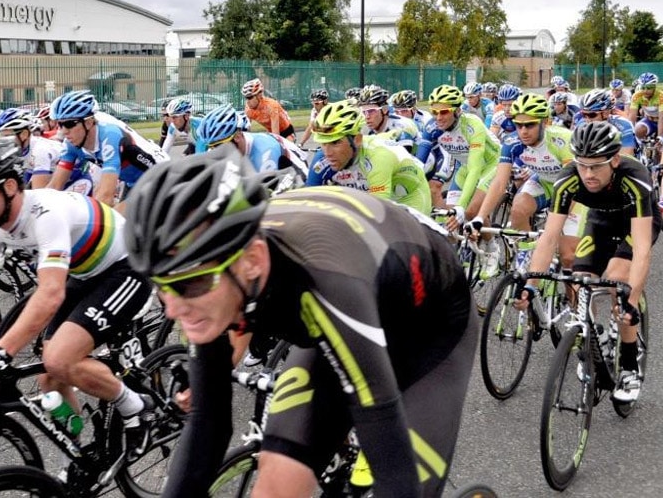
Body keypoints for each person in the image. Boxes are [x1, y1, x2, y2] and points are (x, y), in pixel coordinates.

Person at [122, 146, 477, 497]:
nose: (171, 309)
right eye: (160, 285)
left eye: (187, 284)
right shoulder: (209, 279)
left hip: (429, 324)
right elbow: (208, 425)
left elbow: (384, 436)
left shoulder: (323, 281)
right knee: (276, 483)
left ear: (253, 260)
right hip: (351, 305)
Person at [0, 137, 157, 456]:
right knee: (51, 380)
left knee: (60, 358)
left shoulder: (46, 214)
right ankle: (81, 449)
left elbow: (49, 292)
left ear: (8, 186)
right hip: (84, 272)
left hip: (125, 267)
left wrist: (2, 352)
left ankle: (136, 407)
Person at [515, 122, 659, 404]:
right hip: (600, 222)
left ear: (615, 160)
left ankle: (629, 366)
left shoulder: (635, 177)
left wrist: (634, 298)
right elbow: (549, 237)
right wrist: (531, 284)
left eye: (596, 166)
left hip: (637, 224)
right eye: (582, 165)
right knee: (579, 281)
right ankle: (597, 340)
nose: (588, 174)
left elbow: (642, 249)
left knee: (618, 279)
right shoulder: (568, 179)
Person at [466, 94, 575, 272]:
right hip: (545, 181)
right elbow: (500, 182)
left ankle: (572, 299)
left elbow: (572, 187)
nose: (523, 131)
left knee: (568, 257)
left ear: (544, 122)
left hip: (573, 190)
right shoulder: (512, 142)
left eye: (530, 124)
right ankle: (528, 255)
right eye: (518, 125)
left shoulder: (562, 140)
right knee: (517, 210)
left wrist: (553, 229)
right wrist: (480, 216)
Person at [46, 89, 169, 212]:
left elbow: (106, 197)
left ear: (88, 123)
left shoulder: (110, 136)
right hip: (133, 182)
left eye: (69, 124)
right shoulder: (71, 143)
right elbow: (54, 186)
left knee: (116, 220)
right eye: (59, 125)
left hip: (160, 178)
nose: (63, 131)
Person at [306, 100, 431, 215]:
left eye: (335, 143)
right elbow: (308, 204)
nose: (328, 153)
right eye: (323, 143)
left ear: (357, 139)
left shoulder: (378, 157)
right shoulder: (321, 160)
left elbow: (376, 213)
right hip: (370, 190)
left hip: (409, 197)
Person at [419, 85, 501, 228]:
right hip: (465, 166)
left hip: (491, 165)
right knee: (451, 218)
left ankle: (491, 245)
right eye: (434, 112)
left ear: (457, 111)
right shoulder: (432, 128)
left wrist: (461, 206)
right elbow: (419, 162)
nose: (438, 118)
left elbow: (475, 168)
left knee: (470, 211)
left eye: (444, 112)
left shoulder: (472, 124)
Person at [196, 104, 308, 181]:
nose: (215, 151)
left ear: (238, 136)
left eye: (219, 146)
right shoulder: (226, 148)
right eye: (212, 147)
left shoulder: (264, 152)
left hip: (299, 179)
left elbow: (263, 199)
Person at [574, 88, 637, 157]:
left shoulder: (623, 125)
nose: (587, 119)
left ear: (606, 113)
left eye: (592, 115)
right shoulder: (581, 123)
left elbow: (626, 157)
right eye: (583, 114)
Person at [628, 72, 663, 142]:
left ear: (655, 87)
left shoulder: (660, 96)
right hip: (649, 120)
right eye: (643, 87)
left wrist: (660, 137)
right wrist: (630, 135)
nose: (645, 90)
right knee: (638, 130)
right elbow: (632, 117)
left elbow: (661, 118)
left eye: (649, 87)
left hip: (661, 120)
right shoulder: (636, 96)